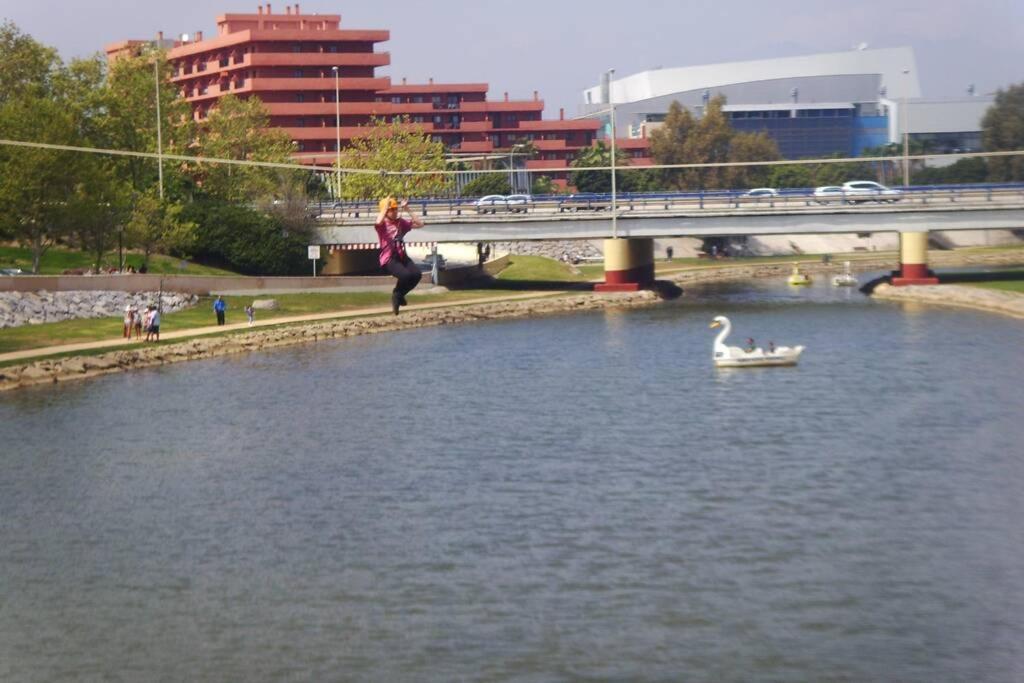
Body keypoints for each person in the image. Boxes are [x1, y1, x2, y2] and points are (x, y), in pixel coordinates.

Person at [374, 196, 424, 315]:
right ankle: (397, 295)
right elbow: (378, 221)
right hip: (389, 259)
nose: (395, 212)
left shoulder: (401, 223)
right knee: (406, 276)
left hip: (402, 256)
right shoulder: (382, 226)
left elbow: (420, 224)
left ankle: (399, 294)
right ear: (386, 211)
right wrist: (384, 208)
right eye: (391, 210)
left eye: (396, 209)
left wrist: (407, 209)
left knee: (417, 275)